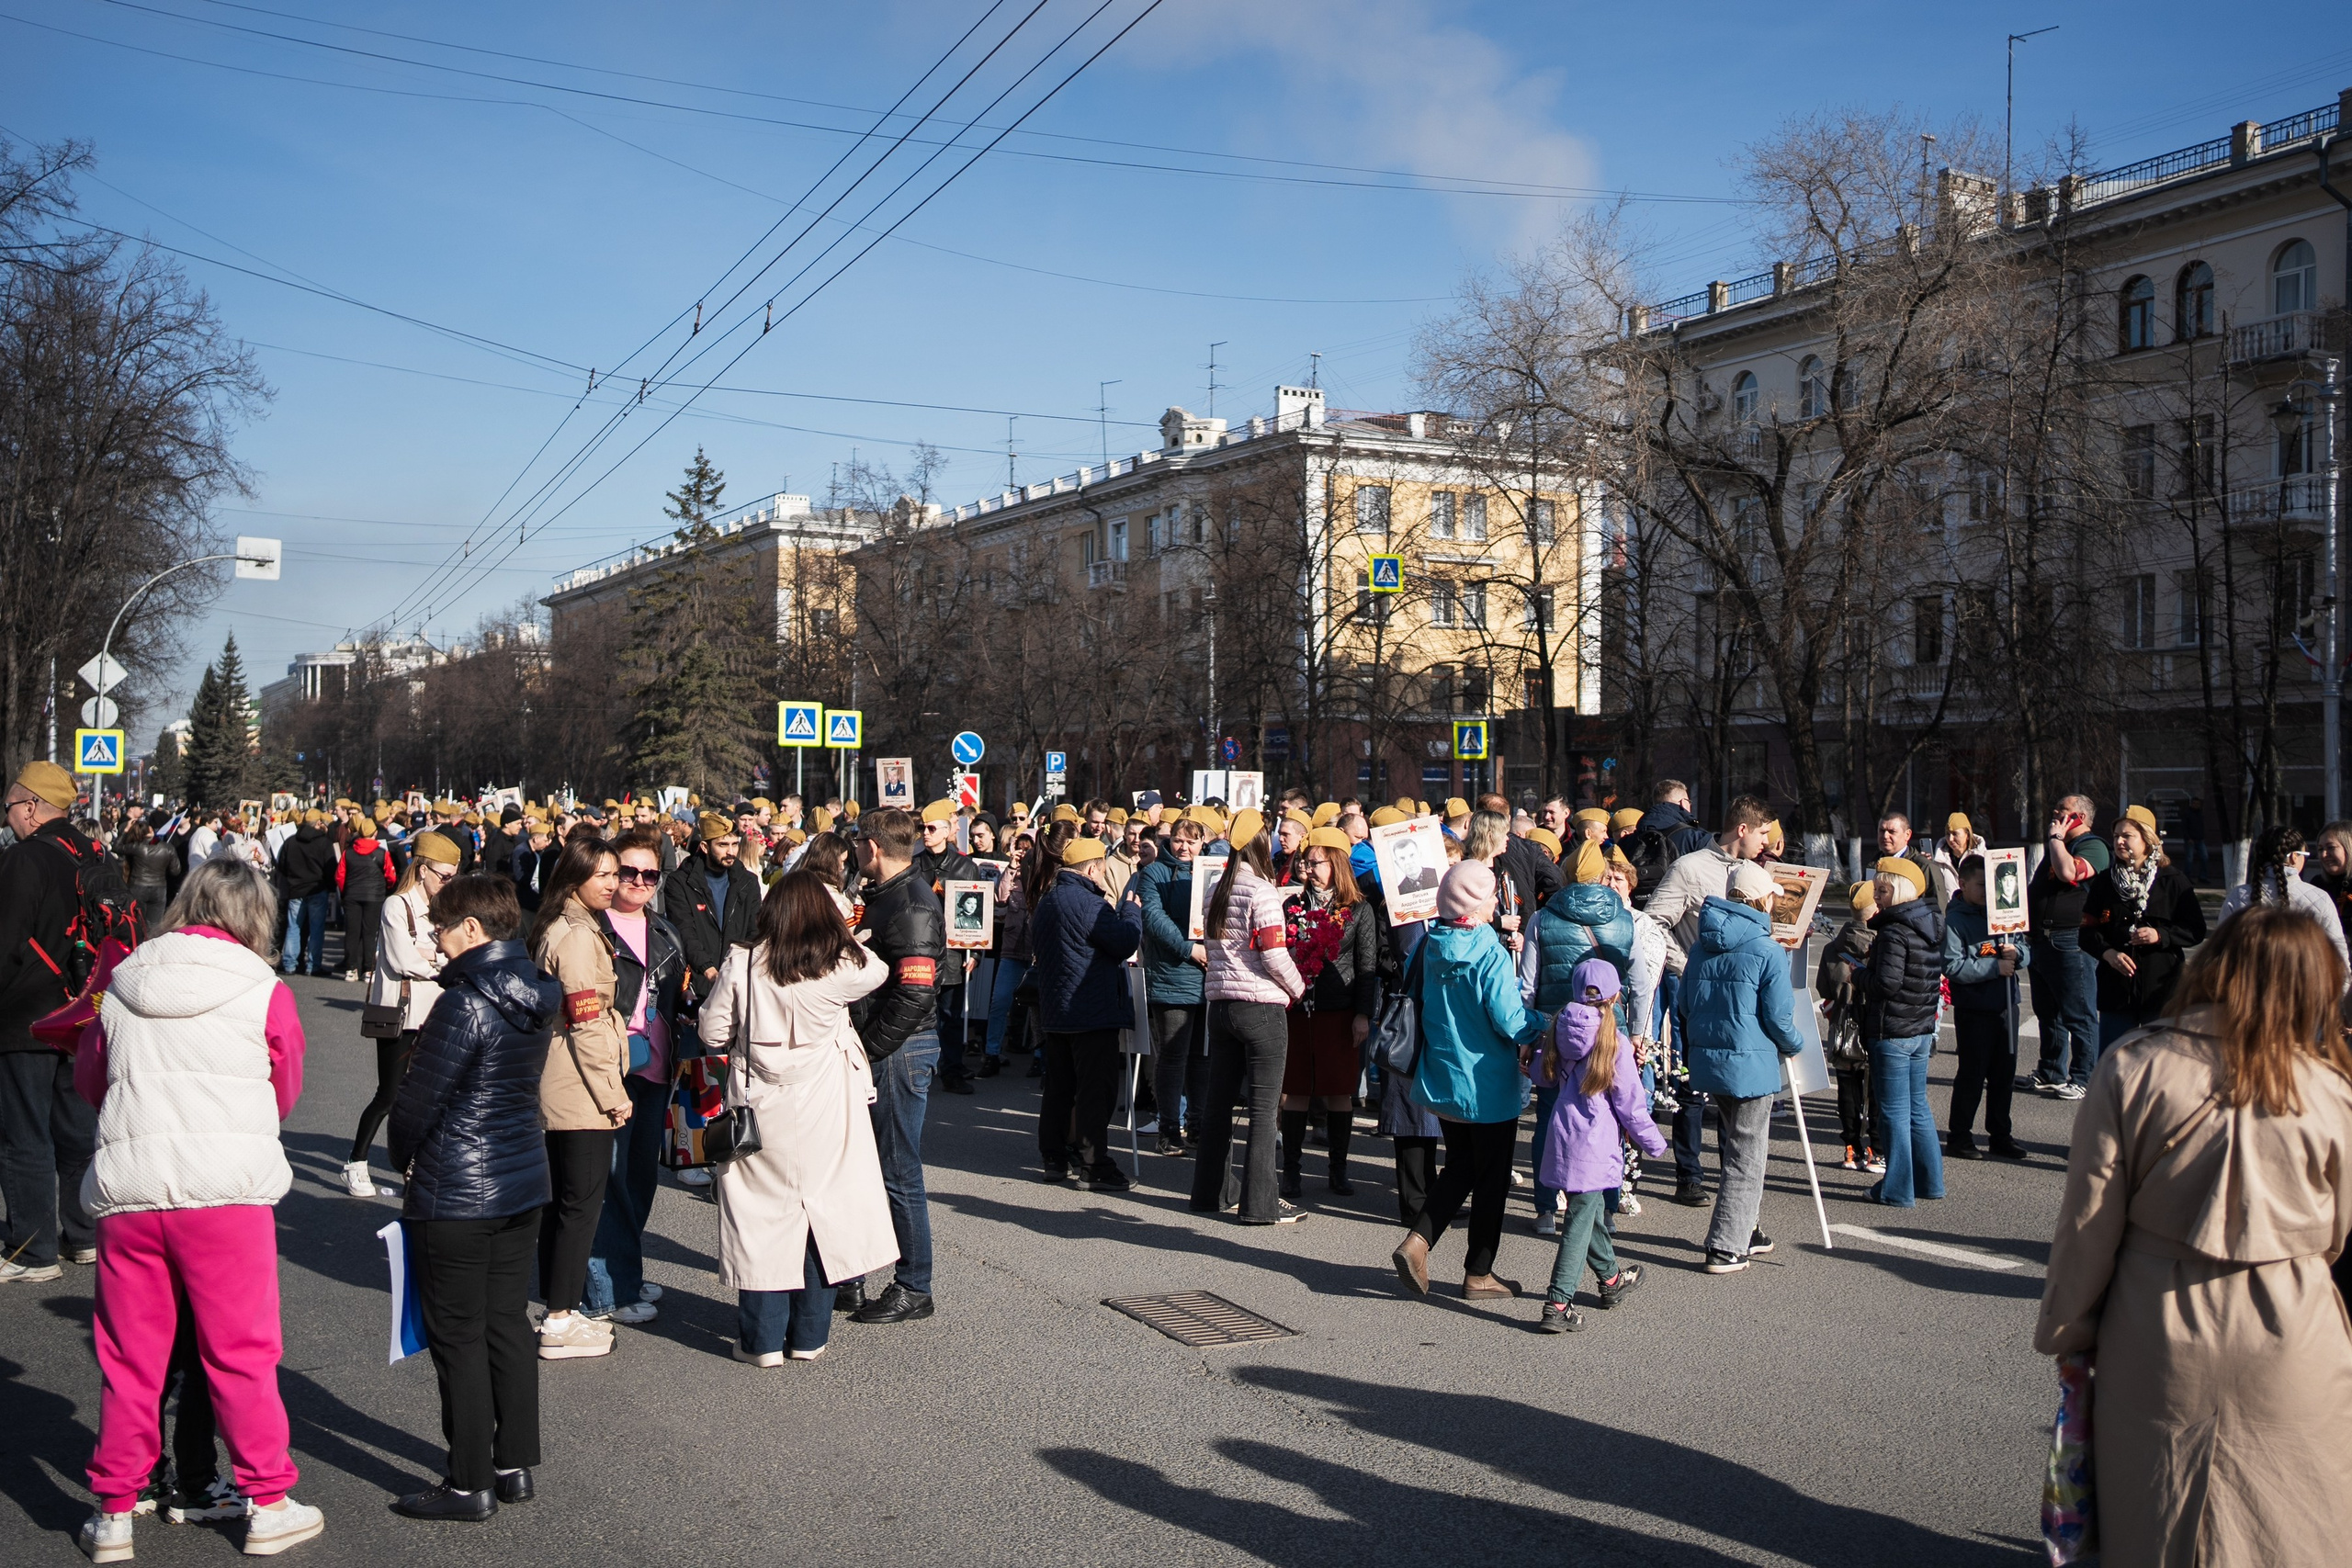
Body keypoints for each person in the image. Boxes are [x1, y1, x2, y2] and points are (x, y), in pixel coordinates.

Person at [2035, 905, 2352, 1565]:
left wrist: (2068, 1331)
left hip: (2156, 1329)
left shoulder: (2135, 1064)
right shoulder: (2329, 1088)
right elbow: (2338, 1233)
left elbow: (2088, 1225)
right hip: (2294, 1327)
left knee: (2156, 1519)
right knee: (2286, 1530)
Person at [72, 858, 325, 1561]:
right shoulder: (262, 986)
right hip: (225, 1191)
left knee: (130, 1358)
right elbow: (284, 1086)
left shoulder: (124, 980)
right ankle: (268, 1500)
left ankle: (115, 1511)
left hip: (133, 1186)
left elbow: (92, 1078)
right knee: (241, 1352)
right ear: (254, 915)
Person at [385, 874, 555, 1523]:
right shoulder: (536, 991)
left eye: (442, 928)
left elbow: (416, 1103)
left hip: (456, 1187)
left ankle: (468, 1480)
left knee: (458, 1335)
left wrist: (401, 1157)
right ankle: (513, 1464)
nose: (436, 940)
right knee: (506, 1323)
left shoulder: (463, 1002)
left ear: (473, 929)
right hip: (520, 1178)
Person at [697, 872, 898, 1366]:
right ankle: (809, 1335)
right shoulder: (838, 966)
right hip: (827, 1105)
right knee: (822, 1214)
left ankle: (761, 1340)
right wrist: (844, 934)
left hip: (758, 1105)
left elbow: (712, 1032)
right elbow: (878, 970)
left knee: (760, 1220)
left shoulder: (743, 962)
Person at [1389, 860, 1545, 1298]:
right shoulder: (1487, 949)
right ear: (1474, 905)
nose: (1496, 901)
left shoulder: (1428, 943)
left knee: (1460, 1166)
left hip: (1444, 1077)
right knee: (1492, 1178)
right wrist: (1546, 1023)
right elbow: (1510, 1021)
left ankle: (1417, 1242)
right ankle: (1479, 1273)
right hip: (1488, 1082)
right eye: (1491, 895)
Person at [1641, 794, 1774, 1207]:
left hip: (1743, 998)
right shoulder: (1690, 868)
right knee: (1692, 1086)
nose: (1767, 842)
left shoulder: (1758, 872)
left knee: (1737, 1089)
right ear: (1742, 829)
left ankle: (1733, 1184)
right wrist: (1685, 965)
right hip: (1698, 995)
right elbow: (1653, 921)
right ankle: (1689, 1175)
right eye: (1763, 833)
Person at [582, 830, 692, 1324]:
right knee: (608, 1181)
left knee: (640, 1178)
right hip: (609, 1067)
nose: (640, 881)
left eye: (651, 874)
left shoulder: (665, 930)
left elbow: (674, 994)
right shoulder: (591, 926)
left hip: (656, 1067)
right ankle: (605, 1291)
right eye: (629, 871)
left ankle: (624, 1269)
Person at [526, 837, 629, 1361]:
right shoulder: (576, 936)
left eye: (615, 874)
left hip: (564, 1079)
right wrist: (613, 1095)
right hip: (578, 1086)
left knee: (564, 1204)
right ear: (575, 877)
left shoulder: (569, 925)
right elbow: (586, 1023)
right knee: (580, 1205)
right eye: (602, 875)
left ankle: (557, 1307)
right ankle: (560, 1319)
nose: (613, 884)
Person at [0, 761, 101, 1286]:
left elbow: (5, 941)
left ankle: (31, 1251)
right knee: (75, 1128)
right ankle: (83, 1235)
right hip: (84, 1011)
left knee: (23, 1133)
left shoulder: (25, 858)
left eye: (10, 807)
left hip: (26, 1016)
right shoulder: (92, 853)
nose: (9, 816)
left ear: (32, 806)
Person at [1529, 959, 1668, 1333]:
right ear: (1615, 997)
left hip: (1563, 1133)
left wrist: (1539, 1052)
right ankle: (1558, 1302)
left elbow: (1542, 1076)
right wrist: (1655, 1143)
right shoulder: (1614, 1042)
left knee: (1584, 1213)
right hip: (1595, 1142)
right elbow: (1630, 1105)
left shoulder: (1558, 1028)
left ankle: (1611, 1279)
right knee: (1578, 1221)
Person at [848, 807, 946, 1325]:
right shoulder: (887, 895)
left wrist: (870, 1049)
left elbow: (914, 993)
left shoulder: (910, 903)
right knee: (869, 1168)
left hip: (900, 1051)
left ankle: (913, 1286)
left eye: (856, 843)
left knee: (898, 1169)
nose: (852, 852)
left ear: (873, 847)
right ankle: (851, 1277)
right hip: (888, 1047)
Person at [1679, 860, 1802, 1273]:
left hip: (1711, 1060)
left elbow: (1685, 1005)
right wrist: (1797, 1044)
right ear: (1761, 899)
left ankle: (1746, 1228)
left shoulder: (1700, 946)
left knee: (1736, 1145)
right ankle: (1726, 1245)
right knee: (1746, 1155)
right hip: (1751, 1064)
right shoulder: (1767, 950)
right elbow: (1779, 1019)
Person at [1193, 811, 1309, 1225]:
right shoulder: (1263, 892)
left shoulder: (1215, 892)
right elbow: (1274, 955)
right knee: (1262, 1110)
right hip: (1260, 1008)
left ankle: (1209, 1194)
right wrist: (1299, 988)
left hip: (1221, 1006)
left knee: (1218, 1104)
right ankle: (1260, 1205)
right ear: (1261, 844)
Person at [1518, 840, 1636, 1234]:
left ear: (1566, 875)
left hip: (1556, 1031)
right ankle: (1606, 1209)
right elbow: (1635, 980)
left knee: (1551, 1119)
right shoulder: (1624, 919)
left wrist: (1526, 1037)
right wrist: (1637, 1031)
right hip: (1608, 1032)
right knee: (1611, 1118)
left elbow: (1528, 983)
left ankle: (1545, 1209)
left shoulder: (1542, 918)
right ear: (1603, 877)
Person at [344, 831, 460, 1197]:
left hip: (434, 1013)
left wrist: (431, 955)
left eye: (453, 876)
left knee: (428, 1096)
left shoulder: (444, 908)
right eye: (444, 875)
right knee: (390, 1094)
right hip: (401, 1014)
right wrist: (437, 959)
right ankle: (355, 1162)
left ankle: (416, 1167)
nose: (449, 882)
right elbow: (403, 960)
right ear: (423, 870)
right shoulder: (396, 906)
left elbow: (455, 952)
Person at [1030, 835, 1144, 1190]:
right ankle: (1095, 1166)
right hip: (1092, 1011)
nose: (1104, 875)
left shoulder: (1048, 900)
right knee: (1096, 1091)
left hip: (1057, 1011)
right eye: (1103, 869)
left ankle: (1053, 1158)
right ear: (1093, 869)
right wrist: (1131, 911)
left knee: (1059, 1089)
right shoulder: (1090, 904)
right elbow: (1124, 941)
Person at [1277, 826, 1382, 1201]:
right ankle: (1291, 1171)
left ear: (1336, 863)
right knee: (1296, 1091)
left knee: (1340, 1092)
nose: (1308, 869)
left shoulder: (1359, 909)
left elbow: (1367, 966)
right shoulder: (1293, 905)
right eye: (1306, 863)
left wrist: (1362, 1014)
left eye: (1316, 862)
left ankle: (1338, 1169)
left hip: (1340, 1013)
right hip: (1299, 1010)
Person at [2079, 805, 2207, 1048]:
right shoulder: (2106, 881)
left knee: (2158, 1060)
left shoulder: (2172, 881)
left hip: (2161, 991)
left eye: (2127, 836)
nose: (2119, 842)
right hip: (2116, 991)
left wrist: (2160, 935)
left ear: (2147, 840)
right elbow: (2086, 931)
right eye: (2116, 836)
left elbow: (2195, 930)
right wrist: (2108, 953)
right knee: (2113, 1058)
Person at [1860, 857, 1945, 1207]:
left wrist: (1858, 975)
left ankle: (1896, 1190)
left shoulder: (1894, 931)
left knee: (1894, 1113)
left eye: (1881, 890)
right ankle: (1930, 1182)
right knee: (1917, 1108)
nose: (1876, 897)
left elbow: (1887, 984)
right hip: (1920, 1029)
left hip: (1893, 1030)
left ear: (1898, 891)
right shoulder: (1931, 924)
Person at [1939, 857, 2028, 1161]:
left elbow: (2026, 947)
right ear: (1963, 884)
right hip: (1975, 1008)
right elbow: (1952, 965)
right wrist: (1994, 967)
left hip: (2006, 1004)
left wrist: (2017, 954)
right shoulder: (1956, 920)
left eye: (1991, 885)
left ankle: (2000, 1135)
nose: (1988, 891)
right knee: (1973, 1074)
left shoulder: (2004, 913)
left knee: (2004, 1074)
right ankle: (1959, 1136)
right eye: (1981, 885)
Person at [2025, 795, 2109, 1099]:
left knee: (2079, 1014)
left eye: (2063, 809)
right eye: (2056, 807)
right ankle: (2051, 1072)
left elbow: (2068, 873)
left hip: (2070, 941)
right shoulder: (2057, 845)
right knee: (2048, 1013)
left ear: (2080, 817)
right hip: (2042, 939)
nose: (2055, 812)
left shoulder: (2093, 846)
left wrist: (2056, 840)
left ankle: (2085, 1077)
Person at [1136, 817, 1206, 1155]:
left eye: (1192, 841)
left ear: (1203, 843)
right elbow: (1153, 917)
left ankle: (1198, 1125)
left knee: (1202, 1057)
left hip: (1209, 975)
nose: (1184, 847)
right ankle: (1168, 1129)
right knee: (1174, 1055)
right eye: (1179, 840)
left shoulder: (1213, 871)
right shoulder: (1154, 872)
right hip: (1172, 974)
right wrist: (1189, 949)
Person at [913, 800, 983, 1096]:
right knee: (921, 1016)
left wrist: (976, 952)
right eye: (923, 828)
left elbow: (978, 914)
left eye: (931, 828)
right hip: (920, 952)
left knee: (952, 1018)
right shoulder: (913, 865)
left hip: (953, 954)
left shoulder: (965, 867)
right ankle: (919, 1070)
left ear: (945, 831)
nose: (925, 833)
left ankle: (952, 1072)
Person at [661, 813, 760, 1007]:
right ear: (705, 847)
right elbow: (684, 932)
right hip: (696, 985)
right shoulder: (681, 882)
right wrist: (708, 969)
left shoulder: (747, 882)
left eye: (734, 844)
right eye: (722, 845)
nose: (730, 851)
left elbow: (755, 931)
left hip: (737, 984)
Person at [2219, 824, 2350, 970]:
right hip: (2304, 981)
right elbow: (2338, 956)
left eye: (2330, 848)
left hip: (2246, 982)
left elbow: (2220, 951)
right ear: (2294, 857)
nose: (2324, 855)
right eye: (2307, 854)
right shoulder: (2318, 897)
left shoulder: (2237, 896)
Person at [1817, 881, 1879, 1171]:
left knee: (1847, 1089)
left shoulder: (1833, 947)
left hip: (1843, 1028)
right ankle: (1877, 1150)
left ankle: (1851, 1148)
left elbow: (1824, 988)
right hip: (1874, 1025)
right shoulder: (1882, 943)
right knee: (1876, 1091)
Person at [275, 811, 337, 977]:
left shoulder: (291, 841)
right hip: (317, 889)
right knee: (316, 929)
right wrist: (331, 886)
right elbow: (331, 868)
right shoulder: (324, 842)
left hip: (295, 889)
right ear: (318, 823)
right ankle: (313, 965)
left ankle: (289, 964)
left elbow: (282, 865)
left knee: (293, 927)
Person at [121, 819, 177, 939]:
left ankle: (137, 944)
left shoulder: (137, 847)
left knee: (137, 922)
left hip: (138, 885)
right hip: (159, 887)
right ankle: (151, 945)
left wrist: (125, 831)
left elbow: (117, 847)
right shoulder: (167, 848)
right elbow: (175, 871)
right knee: (155, 925)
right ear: (151, 830)